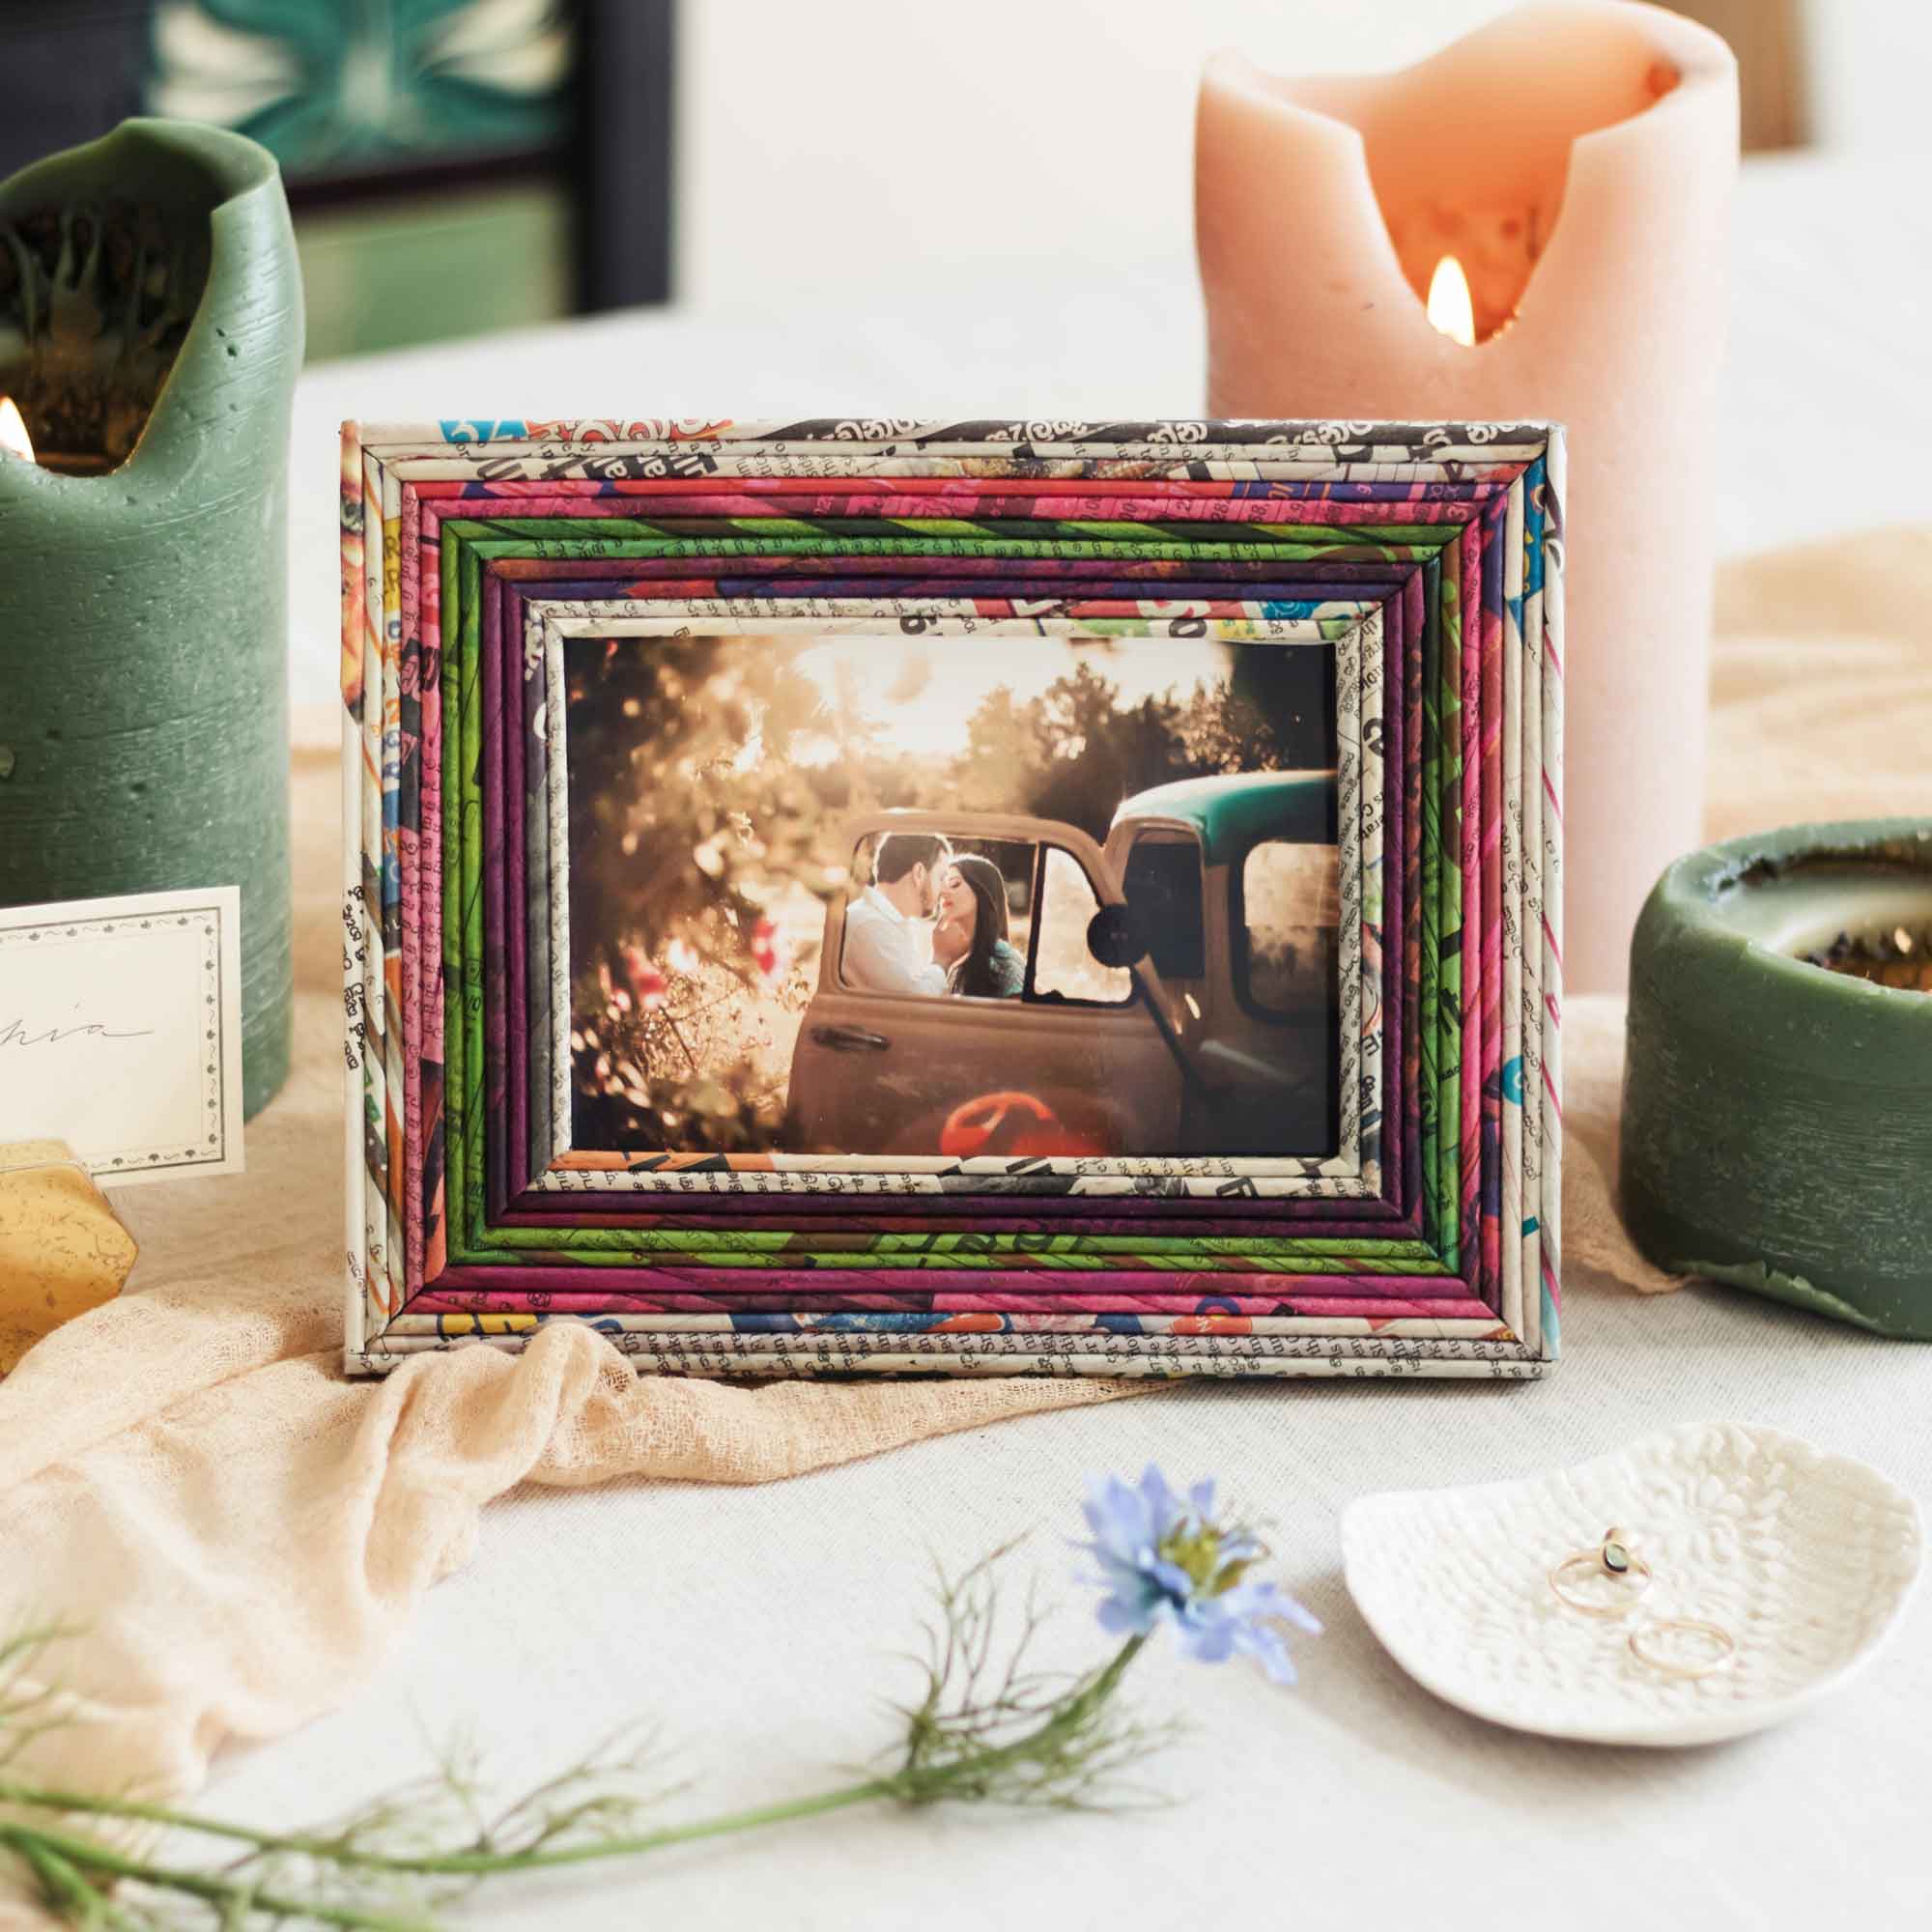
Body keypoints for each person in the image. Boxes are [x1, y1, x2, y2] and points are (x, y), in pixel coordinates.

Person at [840, 832, 951, 995]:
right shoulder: (869, 925)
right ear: (919, 873)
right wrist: (941, 960)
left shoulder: (895, 923)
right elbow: (916, 1005)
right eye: (941, 877)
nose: (944, 889)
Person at [932, 854, 1024, 999]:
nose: (943, 892)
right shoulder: (956, 955)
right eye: (942, 884)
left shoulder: (1004, 963)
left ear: (982, 892)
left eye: (954, 884)